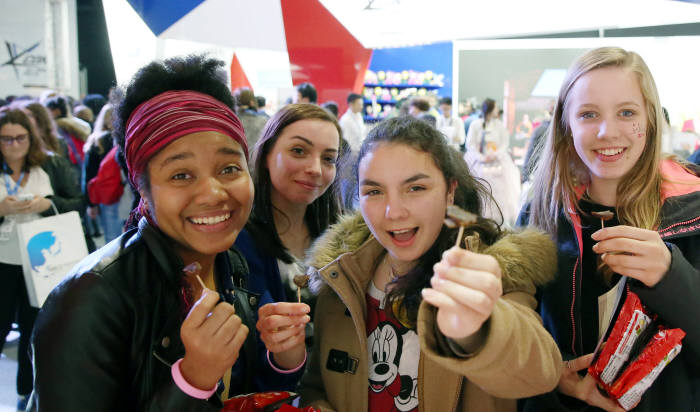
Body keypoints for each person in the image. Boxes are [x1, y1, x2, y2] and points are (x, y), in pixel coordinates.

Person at [30, 55, 309, 411]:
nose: (213, 193)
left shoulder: (235, 265)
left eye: (228, 168)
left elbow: (241, 393)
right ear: (142, 188)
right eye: (180, 175)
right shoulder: (90, 299)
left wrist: (283, 359)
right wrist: (190, 382)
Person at [298, 116, 563, 412]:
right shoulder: (341, 278)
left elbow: (539, 373)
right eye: (374, 191)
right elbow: (316, 387)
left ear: (450, 191)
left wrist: (479, 328)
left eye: (416, 188)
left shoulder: (491, 270)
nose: (394, 211)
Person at [519, 47, 700, 412]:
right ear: (566, 123)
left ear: (649, 118)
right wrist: (552, 374)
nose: (607, 132)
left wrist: (671, 274)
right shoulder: (541, 214)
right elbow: (519, 329)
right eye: (588, 114)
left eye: (626, 113)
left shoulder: (691, 211)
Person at [236, 103, 346, 348]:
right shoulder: (237, 242)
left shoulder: (342, 238)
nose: (315, 169)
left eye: (328, 159)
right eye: (298, 151)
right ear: (266, 155)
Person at [0, 106, 84, 411]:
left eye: (19, 138)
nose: (13, 145)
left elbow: (78, 201)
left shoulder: (50, 165)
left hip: (41, 261)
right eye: (5, 139)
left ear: (30, 138)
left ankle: (26, 394)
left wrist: (47, 204)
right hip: (3, 262)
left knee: (34, 329)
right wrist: (2, 210)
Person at [465, 98, 521, 227]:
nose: (497, 110)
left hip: (498, 163)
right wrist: (480, 157)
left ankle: (501, 222)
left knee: (501, 194)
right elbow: (470, 144)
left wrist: (495, 155)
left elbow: (504, 144)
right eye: (495, 107)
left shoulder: (500, 125)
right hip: (478, 163)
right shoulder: (476, 124)